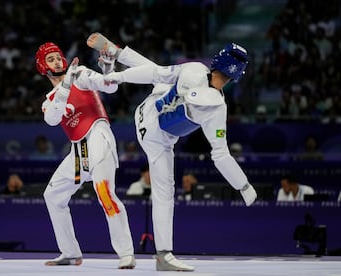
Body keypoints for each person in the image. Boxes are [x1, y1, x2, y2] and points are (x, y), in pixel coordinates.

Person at [87, 33, 257, 271]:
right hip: (157, 139)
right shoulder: (217, 108)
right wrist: (244, 186)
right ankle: (163, 255)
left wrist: (115, 77)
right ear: (237, 76)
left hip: (146, 114)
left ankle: (117, 53)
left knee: (160, 74)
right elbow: (220, 155)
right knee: (164, 193)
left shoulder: (194, 70)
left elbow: (154, 73)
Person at [35, 42, 135, 269]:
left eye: (58, 57)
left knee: (104, 193)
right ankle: (70, 253)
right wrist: (65, 86)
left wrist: (109, 69)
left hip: (99, 138)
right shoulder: (49, 99)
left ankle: (126, 253)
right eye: (50, 59)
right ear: (43, 67)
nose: (58, 61)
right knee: (53, 196)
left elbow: (109, 87)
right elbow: (52, 119)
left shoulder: (79, 73)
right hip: (78, 151)